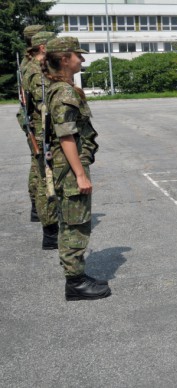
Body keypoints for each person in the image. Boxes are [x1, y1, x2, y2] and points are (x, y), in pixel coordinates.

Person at [44, 37, 110, 301]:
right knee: (76, 223)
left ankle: (77, 276)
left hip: (67, 165)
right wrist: (80, 174)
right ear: (64, 59)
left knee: (73, 221)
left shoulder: (59, 87)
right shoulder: (64, 92)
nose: (82, 60)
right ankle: (75, 282)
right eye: (78, 56)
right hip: (70, 168)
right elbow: (66, 136)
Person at [23, 31, 60, 249]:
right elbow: (44, 102)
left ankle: (42, 216)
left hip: (37, 129)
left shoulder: (31, 67)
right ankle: (51, 233)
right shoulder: (37, 71)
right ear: (43, 48)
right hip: (42, 131)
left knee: (40, 176)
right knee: (46, 181)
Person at [17, 25, 45, 223]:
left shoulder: (26, 62)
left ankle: (37, 207)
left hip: (31, 121)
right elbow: (40, 98)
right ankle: (40, 208)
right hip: (37, 122)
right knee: (41, 168)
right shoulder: (33, 66)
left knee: (36, 165)